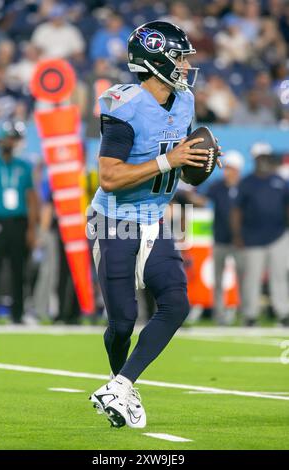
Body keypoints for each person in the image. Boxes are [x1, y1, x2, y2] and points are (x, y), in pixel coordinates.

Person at [88, 21, 221, 429]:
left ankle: (122, 384)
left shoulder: (184, 101)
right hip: (115, 219)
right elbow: (109, 177)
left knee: (176, 302)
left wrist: (198, 162)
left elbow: (179, 158)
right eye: (179, 57)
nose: (184, 65)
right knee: (122, 322)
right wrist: (171, 161)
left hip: (153, 216)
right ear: (156, 60)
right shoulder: (122, 104)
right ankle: (118, 380)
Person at [231, 143, 289, 327]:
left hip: (278, 235)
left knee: (279, 276)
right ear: (255, 159)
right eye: (260, 157)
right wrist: (237, 235)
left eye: (266, 157)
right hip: (252, 237)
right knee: (252, 278)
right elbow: (236, 211)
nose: (263, 160)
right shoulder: (247, 183)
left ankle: (283, 313)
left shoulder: (280, 181)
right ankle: (250, 314)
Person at [0, 122, 38, 324]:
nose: (9, 142)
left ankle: (17, 313)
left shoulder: (24, 166)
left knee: (19, 270)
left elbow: (31, 198)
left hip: (19, 222)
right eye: (6, 138)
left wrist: (31, 229)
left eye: (12, 138)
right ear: (0, 140)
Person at [189, 151, 245, 325]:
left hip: (241, 241)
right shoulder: (217, 186)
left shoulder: (244, 187)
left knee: (243, 279)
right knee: (218, 279)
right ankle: (219, 316)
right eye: (226, 168)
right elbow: (202, 201)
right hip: (220, 238)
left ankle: (245, 315)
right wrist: (187, 194)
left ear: (237, 170)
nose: (227, 171)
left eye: (230, 168)